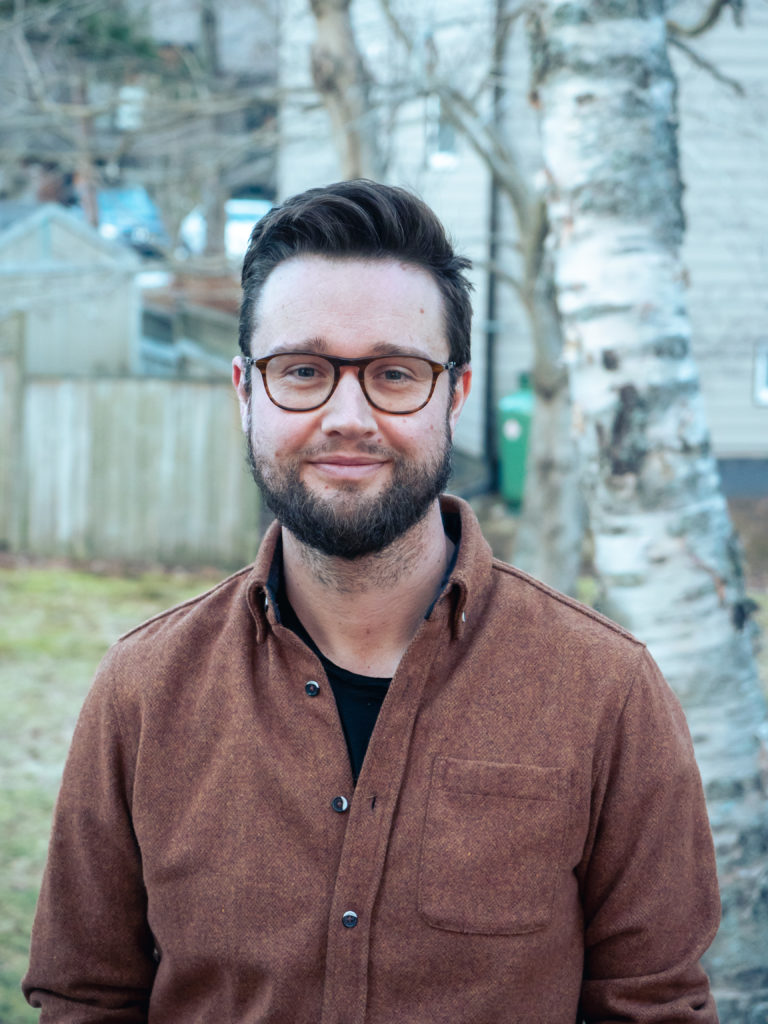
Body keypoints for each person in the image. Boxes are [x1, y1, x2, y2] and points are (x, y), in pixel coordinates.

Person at [24, 180, 720, 1023]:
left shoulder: (608, 692)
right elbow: (83, 1000)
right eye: (304, 371)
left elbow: (655, 1007)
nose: (347, 416)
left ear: (454, 395)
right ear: (243, 390)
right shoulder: (143, 692)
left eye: (394, 373)